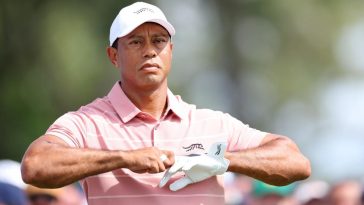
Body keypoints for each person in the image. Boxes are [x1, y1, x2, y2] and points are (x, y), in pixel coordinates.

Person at [21, 2, 311, 205]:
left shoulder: (212, 123)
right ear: (113, 56)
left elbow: (295, 162)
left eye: (158, 41)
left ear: (170, 51)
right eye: (135, 42)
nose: (149, 51)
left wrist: (221, 162)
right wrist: (123, 158)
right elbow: (35, 166)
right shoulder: (86, 123)